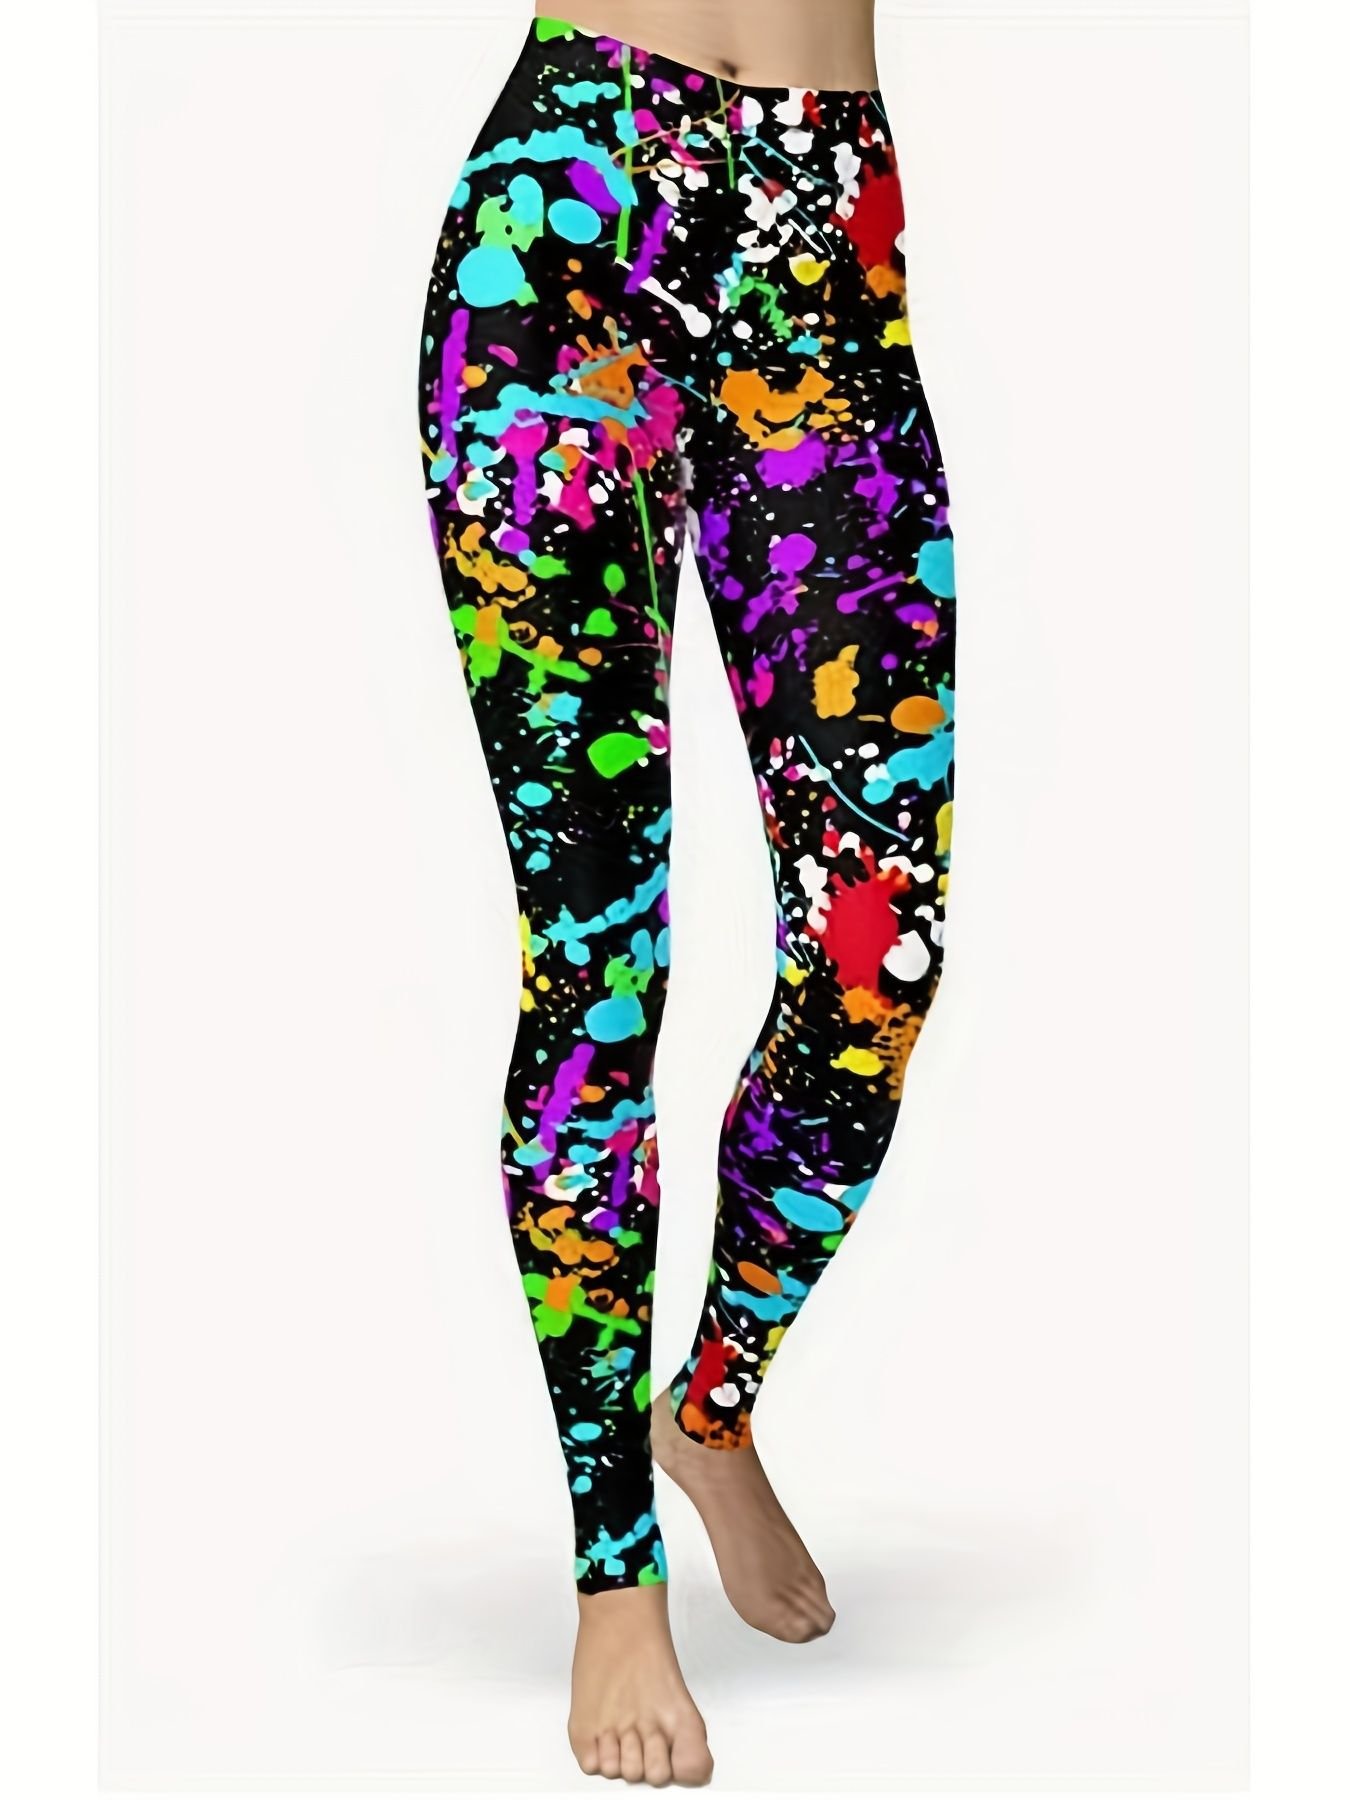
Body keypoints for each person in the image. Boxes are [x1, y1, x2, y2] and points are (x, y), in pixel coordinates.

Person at [418, 1, 956, 1782]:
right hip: (566, 222)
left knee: (876, 953)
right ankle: (612, 1567)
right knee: (597, 966)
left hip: (824, 241)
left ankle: (708, 1412)